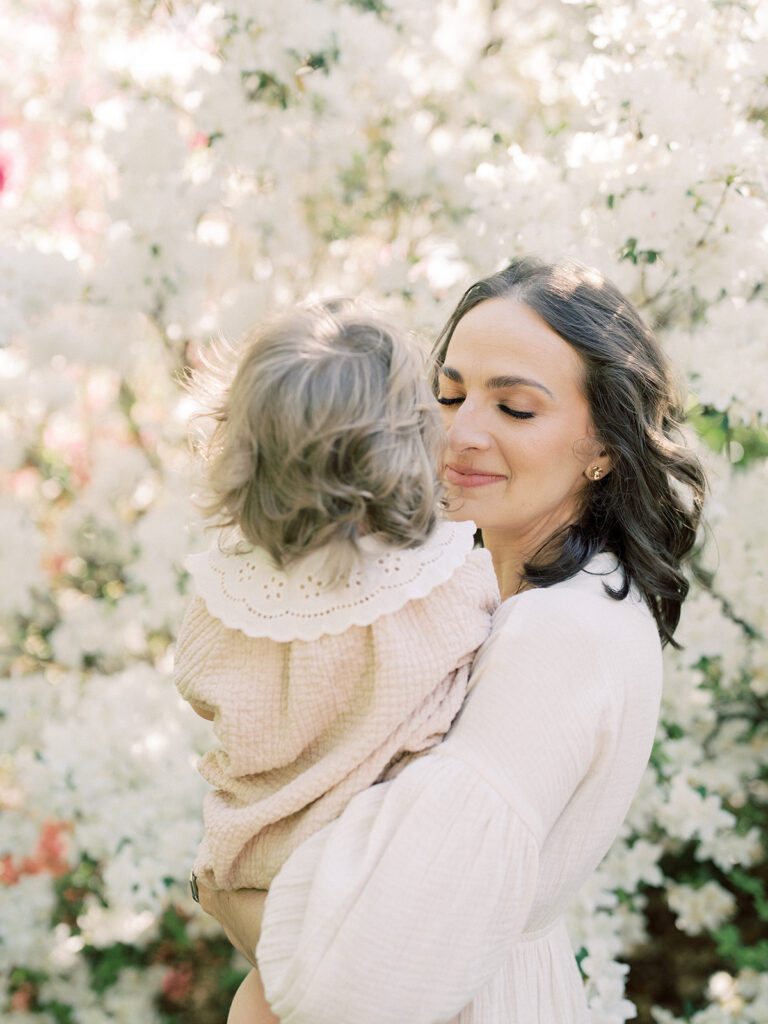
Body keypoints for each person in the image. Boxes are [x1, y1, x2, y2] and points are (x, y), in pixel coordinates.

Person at [196, 257, 707, 1024]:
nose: (462, 433)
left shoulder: (559, 634)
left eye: (517, 409)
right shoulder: (479, 598)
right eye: (449, 394)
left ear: (604, 446)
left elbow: (374, 978)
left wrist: (238, 903)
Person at [174, 302, 499, 1022]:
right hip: (370, 887)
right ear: (411, 444)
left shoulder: (228, 597)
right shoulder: (445, 581)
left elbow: (200, 684)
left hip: (259, 873)